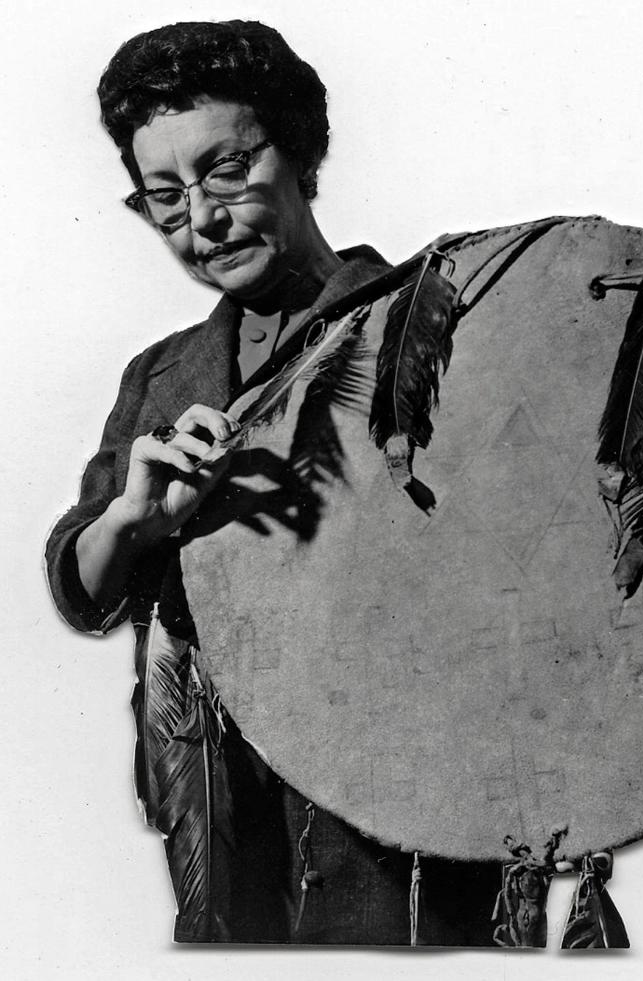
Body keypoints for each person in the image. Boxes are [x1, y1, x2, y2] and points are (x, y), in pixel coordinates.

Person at [45, 20, 502, 945]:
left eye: (224, 172)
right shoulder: (162, 376)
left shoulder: (433, 322)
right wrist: (133, 523)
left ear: (299, 149)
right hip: (220, 808)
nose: (202, 221)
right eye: (164, 199)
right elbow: (82, 589)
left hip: (404, 812)